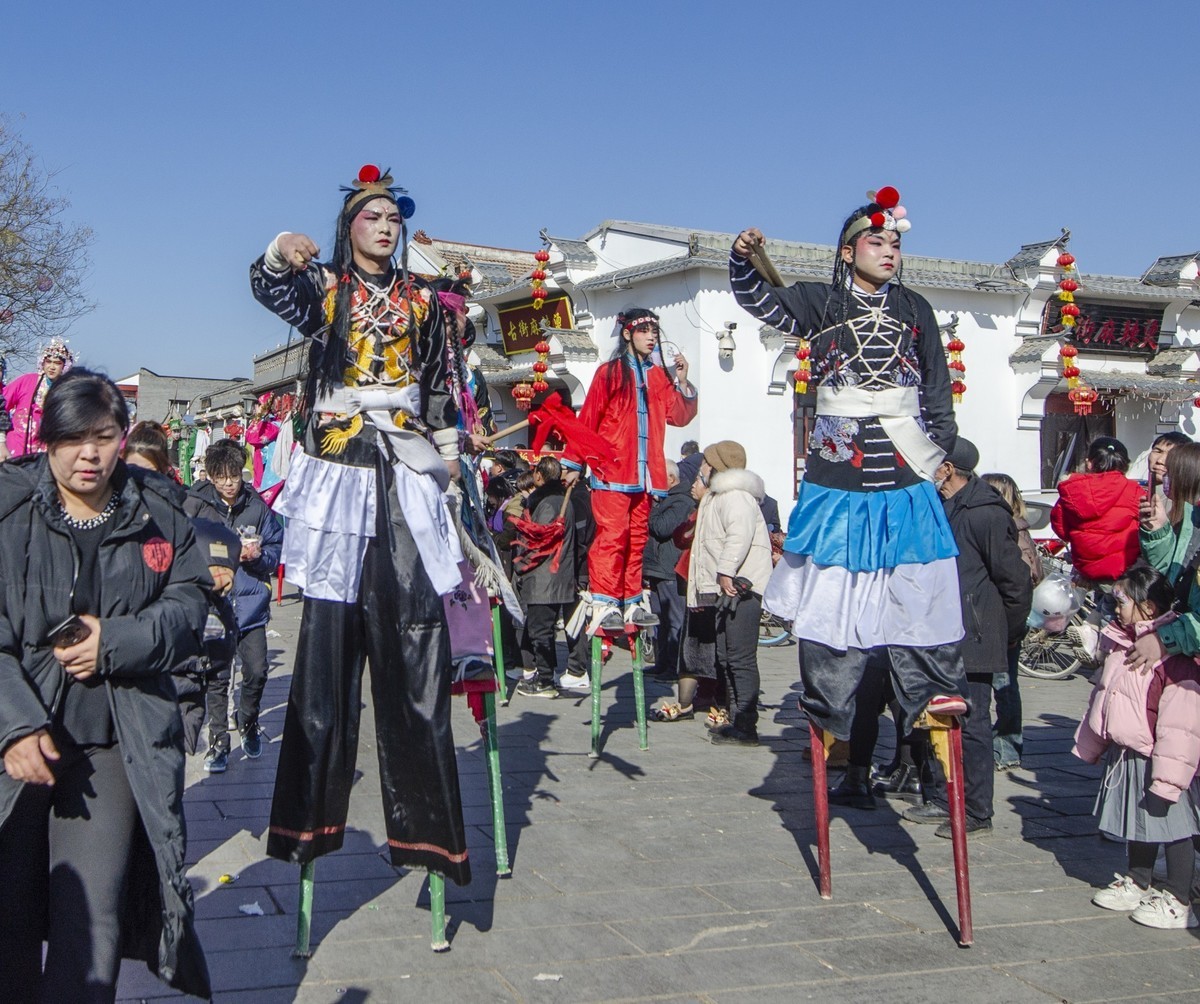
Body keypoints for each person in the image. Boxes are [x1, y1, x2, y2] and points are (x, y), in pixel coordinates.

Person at [248, 164, 471, 885]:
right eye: (372, 216)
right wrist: (282, 248)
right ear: (350, 228)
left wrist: (451, 460)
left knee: (416, 635)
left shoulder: (427, 302)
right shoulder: (327, 291)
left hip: (405, 463)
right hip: (342, 461)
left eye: (393, 218)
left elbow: (441, 387)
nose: (385, 226)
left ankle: (430, 839)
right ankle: (309, 824)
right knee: (327, 648)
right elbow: (270, 286)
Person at [731, 187, 967, 755]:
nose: (888, 251)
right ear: (847, 250)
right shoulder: (819, 302)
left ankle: (930, 690)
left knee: (918, 569)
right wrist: (741, 259)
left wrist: (940, 445)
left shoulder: (916, 309)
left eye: (895, 243)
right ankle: (829, 698)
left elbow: (936, 384)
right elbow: (760, 301)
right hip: (840, 450)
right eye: (875, 240)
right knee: (833, 574)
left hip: (906, 452)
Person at [0, 368, 211, 1000]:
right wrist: (13, 726)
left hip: (115, 745)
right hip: (17, 745)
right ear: (46, 440)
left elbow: (190, 606)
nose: (88, 454)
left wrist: (113, 643)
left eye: (104, 435)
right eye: (72, 439)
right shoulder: (9, 511)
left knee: (92, 923)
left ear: (124, 435)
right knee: (6, 914)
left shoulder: (161, 510)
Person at [902, 439, 1032, 837]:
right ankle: (941, 797)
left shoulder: (985, 514)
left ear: (948, 469)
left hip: (975, 634)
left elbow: (1016, 582)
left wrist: (1003, 633)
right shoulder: (942, 508)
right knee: (936, 716)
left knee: (973, 723)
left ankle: (977, 812)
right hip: (939, 632)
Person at [1073, 565, 1200, 929]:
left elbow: (1182, 726)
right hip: (1128, 751)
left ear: (1147, 607)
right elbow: (1107, 694)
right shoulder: (1124, 639)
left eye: (1122, 600)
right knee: (1136, 820)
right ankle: (1138, 881)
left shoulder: (1173, 659)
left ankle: (1178, 897)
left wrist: (1171, 777)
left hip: (1162, 758)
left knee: (1173, 826)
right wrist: (1094, 741)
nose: (1115, 607)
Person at [563, 307, 697, 630]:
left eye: (655, 332)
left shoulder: (658, 377)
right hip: (611, 471)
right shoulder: (608, 373)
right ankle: (605, 600)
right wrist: (573, 462)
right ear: (628, 334)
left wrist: (683, 381)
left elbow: (679, 416)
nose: (652, 337)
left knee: (637, 537)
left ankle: (631, 600)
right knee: (612, 535)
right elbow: (589, 421)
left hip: (646, 475)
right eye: (645, 331)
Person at [188, 439, 284, 771]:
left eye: (234, 476)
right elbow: (184, 550)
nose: (229, 483)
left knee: (256, 671)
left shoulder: (257, 507)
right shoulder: (197, 506)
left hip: (251, 607)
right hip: (213, 608)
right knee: (216, 677)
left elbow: (276, 549)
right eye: (221, 477)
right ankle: (218, 742)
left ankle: (249, 720)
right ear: (211, 476)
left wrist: (259, 558)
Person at [685, 441, 774, 746]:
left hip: (742, 588)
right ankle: (736, 719)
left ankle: (747, 725)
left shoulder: (735, 496)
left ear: (717, 465)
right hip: (727, 589)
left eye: (706, 463)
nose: (702, 468)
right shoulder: (718, 497)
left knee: (740, 658)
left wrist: (726, 571)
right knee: (726, 657)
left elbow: (739, 535)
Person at [982, 472, 1042, 771]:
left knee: (1004, 685)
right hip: (1001, 617)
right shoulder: (1014, 529)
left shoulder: (1012, 531)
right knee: (1003, 684)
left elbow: (1028, 575)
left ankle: (1007, 746)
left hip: (1008, 619)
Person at [514, 456, 574, 698]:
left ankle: (546, 680)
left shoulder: (549, 503)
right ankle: (543, 675)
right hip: (550, 574)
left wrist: (521, 565)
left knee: (541, 630)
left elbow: (539, 542)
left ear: (539, 476)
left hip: (546, 576)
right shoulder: (557, 500)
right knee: (540, 628)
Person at [1050, 436, 1144, 584]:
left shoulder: (1071, 492)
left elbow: (1061, 530)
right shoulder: (1134, 491)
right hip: (1125, 572)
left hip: (1086, 572)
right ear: (1126, 464)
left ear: (1089, 463)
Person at [643, 459, 696, 683]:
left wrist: (652, 509)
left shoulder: (680, 501)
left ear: (671, 479)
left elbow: (662, 527)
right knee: (659, 619)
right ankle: (661, 662)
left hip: (669, 569)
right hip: (657, 568)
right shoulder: (668, 500)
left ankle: (674, 667)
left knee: (673, 619)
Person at [3, 337, 73, 458]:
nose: (52, 367)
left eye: (57, 363)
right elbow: (2, 403)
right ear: (42, 362)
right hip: (17, 446)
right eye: (49, 361)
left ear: (64, 366)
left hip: (47, 449)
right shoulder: (27, 381)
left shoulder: (68, 390)